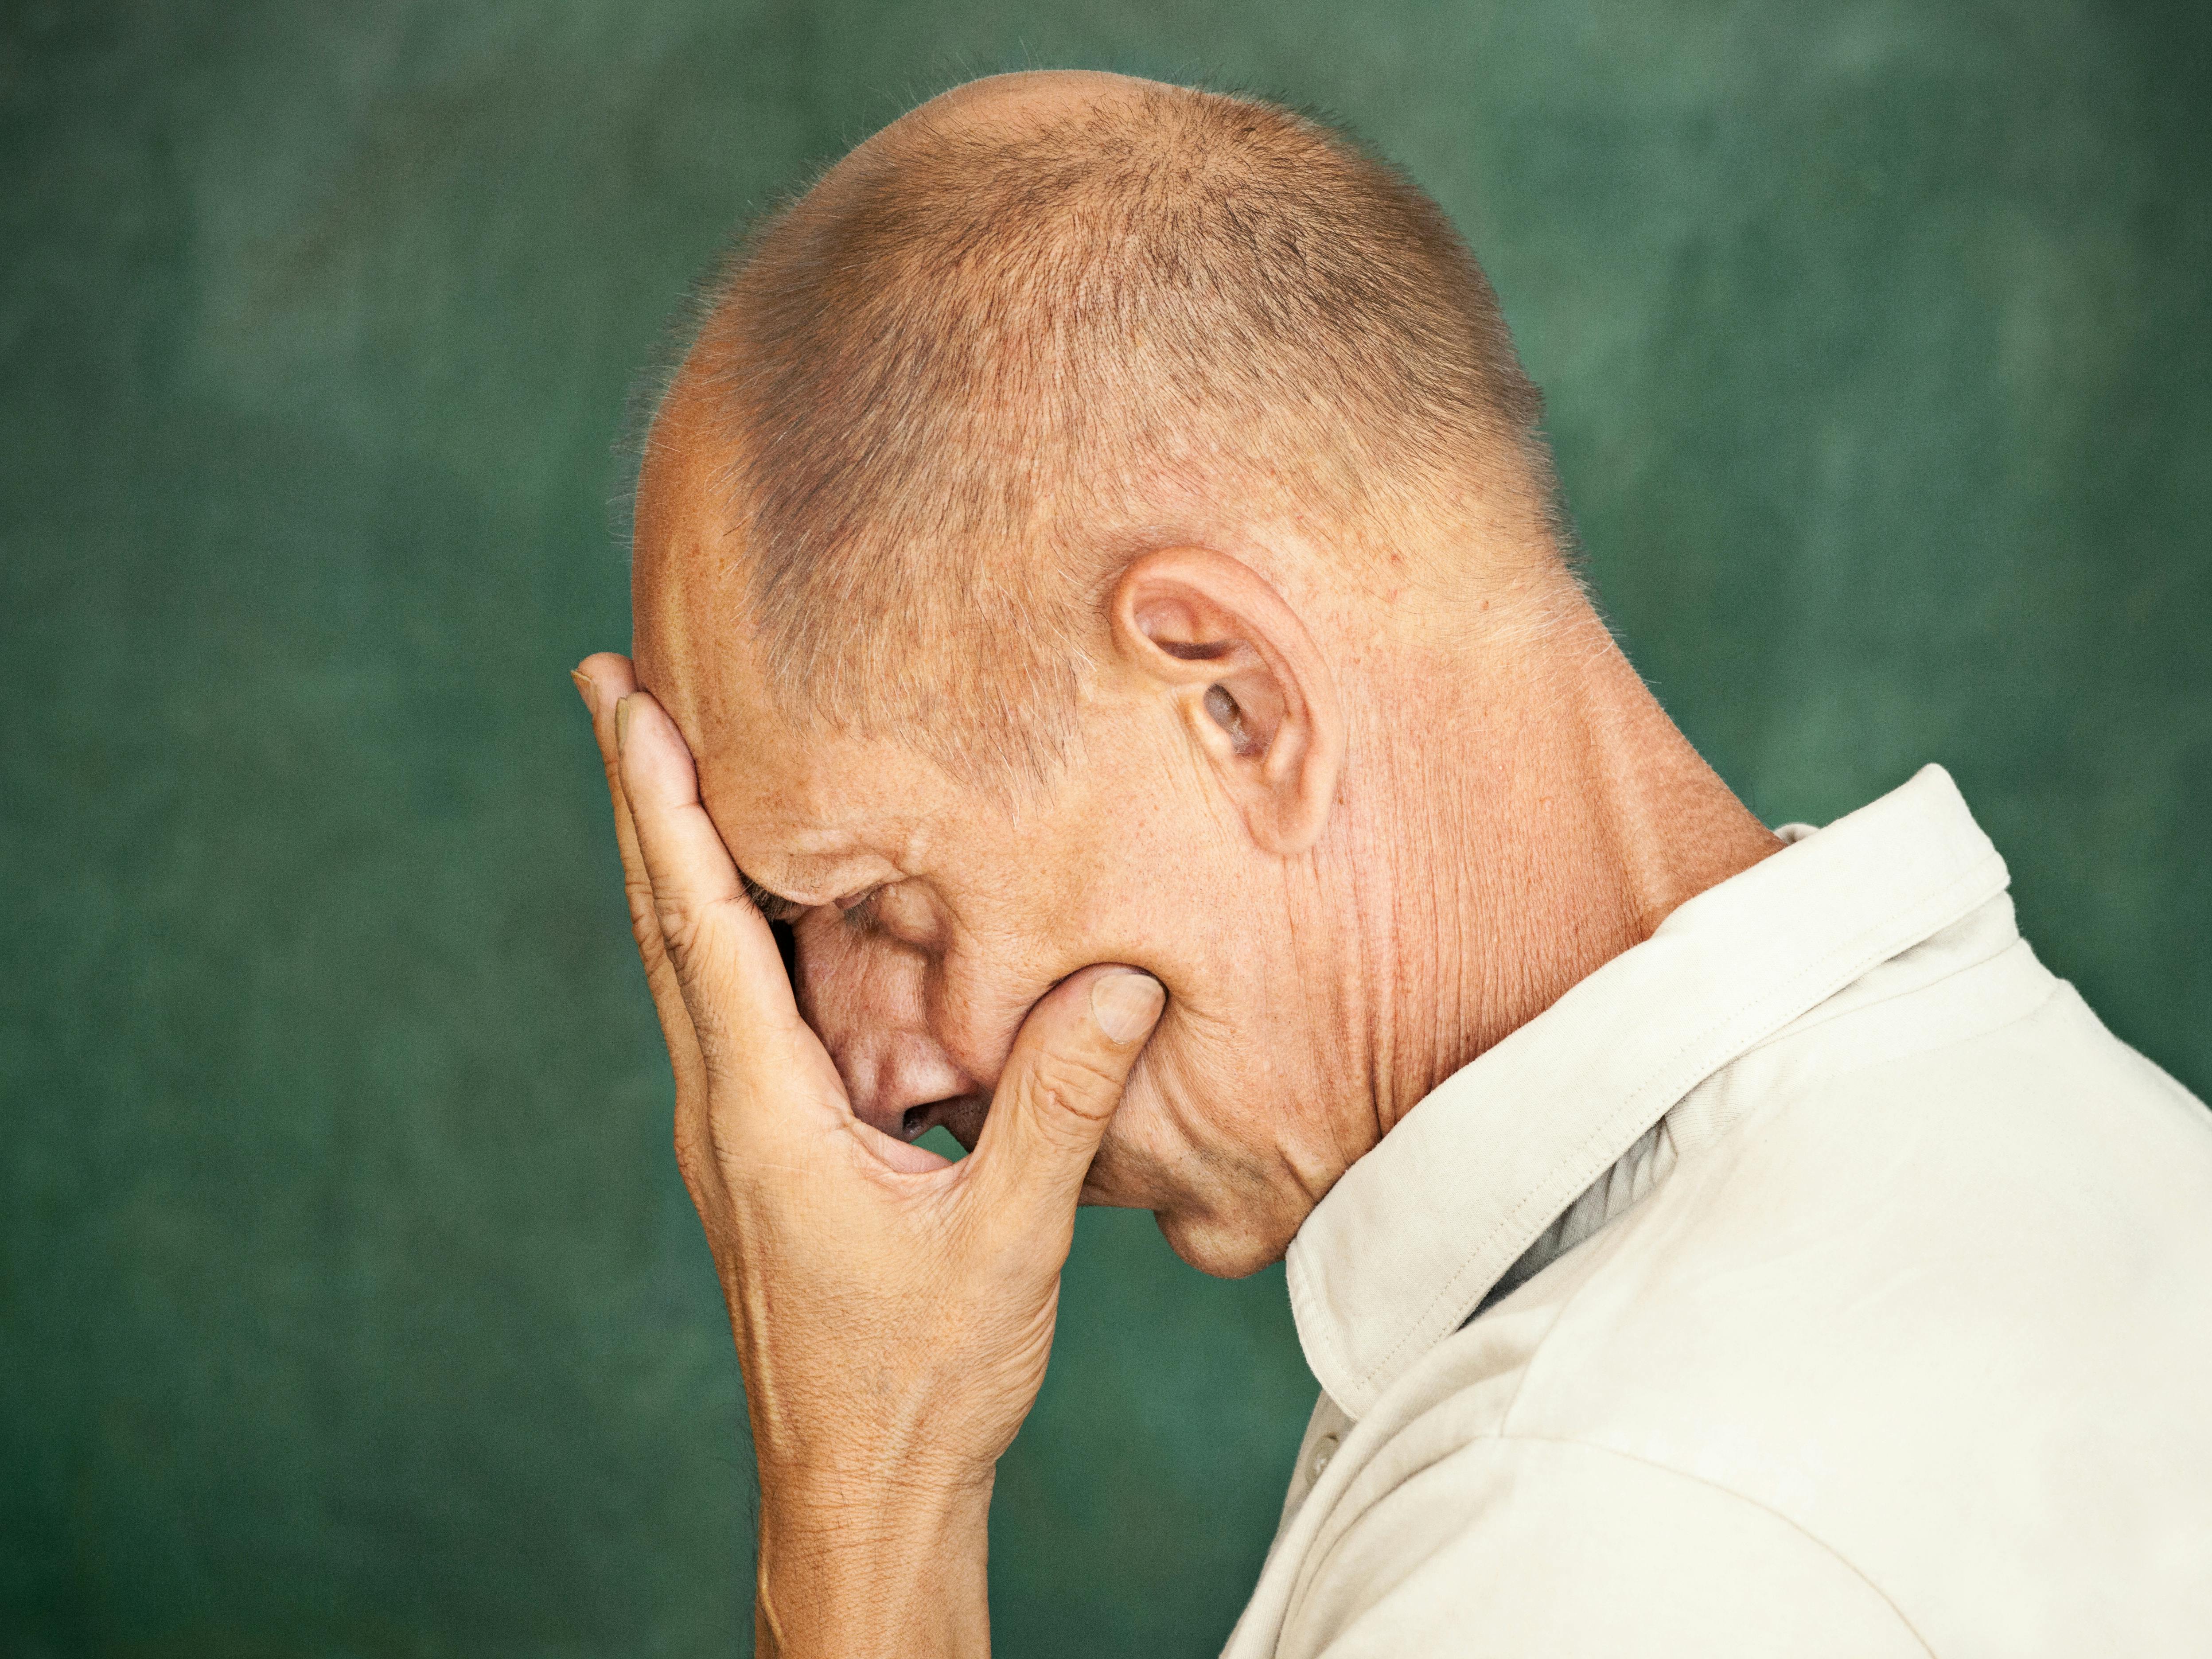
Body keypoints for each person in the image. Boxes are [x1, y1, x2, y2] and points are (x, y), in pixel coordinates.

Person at [568, 70, 2212, 1658]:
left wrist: (873, 1495)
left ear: (1237, 704)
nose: (856, 1086)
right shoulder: (2098, 1162)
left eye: (876, 907)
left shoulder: (1595, 1531)